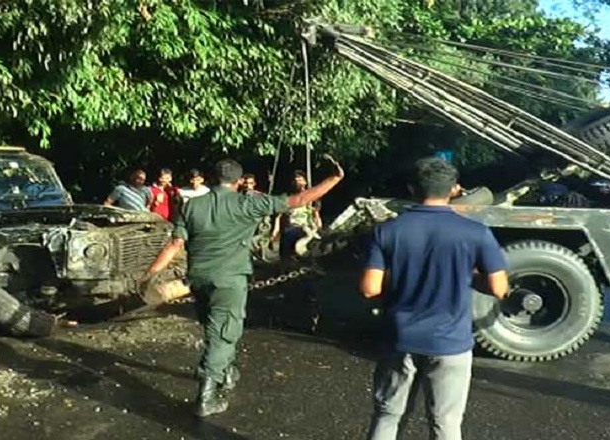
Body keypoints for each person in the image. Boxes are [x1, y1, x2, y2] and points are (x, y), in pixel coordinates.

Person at [143, 157, 344, 417]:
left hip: (198, 279)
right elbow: (298, 201)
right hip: (229, 280)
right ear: (238, 182)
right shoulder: (248, 202)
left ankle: (225, 370)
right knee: (225, 331)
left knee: (213, 326)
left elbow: (174, 244)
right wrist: (333, 179)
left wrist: (150, 275)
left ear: (212, 179)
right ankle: (207, 394)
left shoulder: (191, 206)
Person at [360, 157, 509, 440]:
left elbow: (369, 288)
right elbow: (499, 288)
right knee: (445, 422)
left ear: (412, 189)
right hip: (451, 343)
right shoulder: (476, 232)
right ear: (454, 189)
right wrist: (467, 276)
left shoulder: (388, 230)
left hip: (399, 339)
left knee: (388, 415)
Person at [270, 170, 323, 258]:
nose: (297, 183)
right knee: (286, 253)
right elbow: (278, 217)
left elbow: (316, 215)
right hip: (290, 229)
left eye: (300, 180)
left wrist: (319, 228)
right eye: (295, 181)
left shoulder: (311, 197)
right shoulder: (287, 198)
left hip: (307, 229)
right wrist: (275, 232)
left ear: (305, 182)